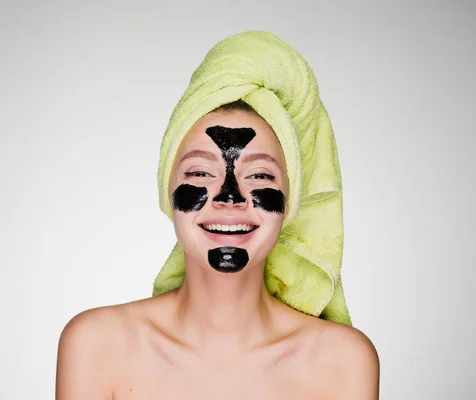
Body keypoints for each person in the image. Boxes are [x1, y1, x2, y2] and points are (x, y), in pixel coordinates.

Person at [56, 33, 379, 399]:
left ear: (289, 202)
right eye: (199, 174)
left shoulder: (342, 361)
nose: (230, 198)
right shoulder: (97, 347)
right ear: (168, 193)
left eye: (259, 175)